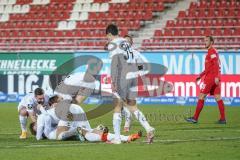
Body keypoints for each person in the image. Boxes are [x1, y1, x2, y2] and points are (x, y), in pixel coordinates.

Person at [106, 24, 154, 144]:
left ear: (110, 34)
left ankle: (117, 139)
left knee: (117, 106)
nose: (107, 39)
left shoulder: (113, 44)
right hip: (132, 78)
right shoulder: (126, 43)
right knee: (132, 107)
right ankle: (149, 128)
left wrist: (113, 80)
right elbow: (140, 63)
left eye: (107, 36)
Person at [186, 36, 226, 124]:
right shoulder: (213, 51)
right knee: (218, 97)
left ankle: (195, 118)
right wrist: (201, 75)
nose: (205, 42)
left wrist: (215, 76)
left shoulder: (211, 51)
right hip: (215, 77)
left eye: (207, 40)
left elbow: (215, 63)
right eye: (204, 40)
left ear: (211, 42)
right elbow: (209, 68)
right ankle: (223, 119)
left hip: (211, 78)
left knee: (201, 96)